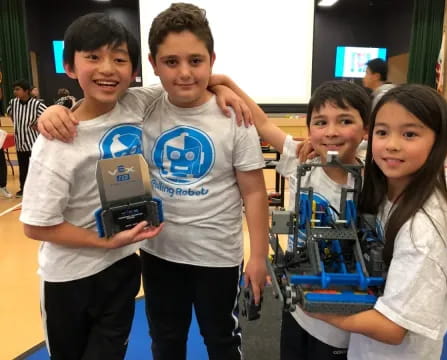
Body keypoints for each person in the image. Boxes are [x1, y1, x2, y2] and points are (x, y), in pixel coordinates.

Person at [19, 13, 166, 359]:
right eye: (93, 57)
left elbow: (188, 79)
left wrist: (225, 87)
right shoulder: (57, 141)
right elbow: (35, 225)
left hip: (122, 267)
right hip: (69, 278)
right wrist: (103, 241)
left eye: (119, 59)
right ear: (70, 67)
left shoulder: (137, 103)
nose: (107, 68)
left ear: (133, 71)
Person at [138, 4, 269, 360]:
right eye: (171, 62)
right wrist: (61, 110)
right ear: (153, 63)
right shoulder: (144, 108)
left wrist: (259, 255)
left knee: (222, 340)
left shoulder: (233, 116)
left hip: (217, 258)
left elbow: (255, 191)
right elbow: (96, 106)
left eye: (196, 61)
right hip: (158, 252)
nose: (184, 73)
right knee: (165, 340)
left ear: (212, 60)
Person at [307, 84, 447, 360]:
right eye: (382, 132)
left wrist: (312, 306)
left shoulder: (422, 232)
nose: (392, 144)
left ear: (439, 142)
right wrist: (317, 146)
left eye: (409, 134)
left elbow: (392, 329)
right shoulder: (390, 191)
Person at [225, 79, 370, 359]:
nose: (331, 132)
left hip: (343, 314)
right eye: (320, 122)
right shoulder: (301, 161)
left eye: (345, 121)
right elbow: (263, 123)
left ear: (365, 129)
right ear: (309, 129)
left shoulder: (373, 177)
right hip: (299, 307)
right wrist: (226, 84)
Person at [6, 79, 47, 197]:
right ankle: (23, 188)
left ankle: (40, 189)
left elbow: (47, 115)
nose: (15, 92)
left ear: (26, 91)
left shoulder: (37, 104)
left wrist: (38, 124)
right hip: (20, 142)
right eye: (14, 89)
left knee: (36, 166)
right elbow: (10, 114)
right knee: (22, 167)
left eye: (18, 89)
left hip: (33, 142)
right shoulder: (13, 103)